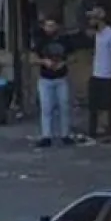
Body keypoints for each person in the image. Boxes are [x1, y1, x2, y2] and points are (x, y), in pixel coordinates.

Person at [32, 16, 73, 148]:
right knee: (46, 108)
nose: (50, 29)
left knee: (64, 106)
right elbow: (31, 58)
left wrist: (63, 63)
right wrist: (44, 61)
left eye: (52, 25)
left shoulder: (64, 40)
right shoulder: (40, 41)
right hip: (45, 79)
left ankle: (65, 134)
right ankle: (46, 136)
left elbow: (73, 56)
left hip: (61, 78)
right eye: (47, 26)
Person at [87, 6, 111, 142]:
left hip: (108, 74)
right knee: (93, 105)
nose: (90, 21)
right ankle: (92, 131)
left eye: (93, 18)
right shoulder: (96, 35)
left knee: (110, 105)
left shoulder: (110, 34)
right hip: (96, 73)